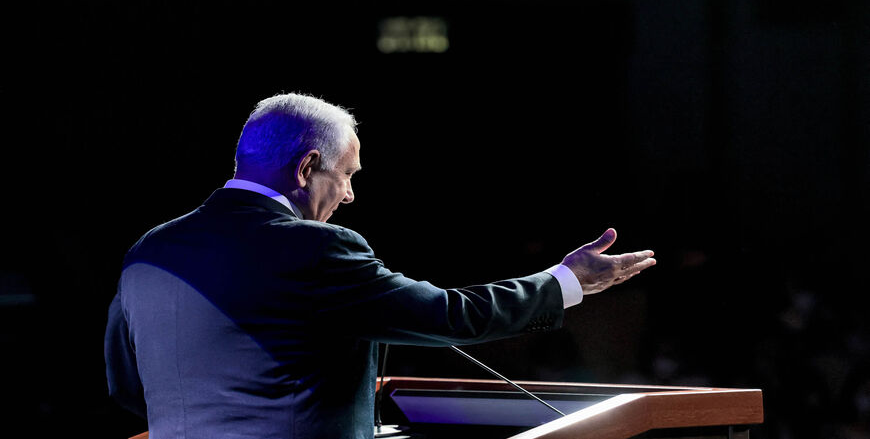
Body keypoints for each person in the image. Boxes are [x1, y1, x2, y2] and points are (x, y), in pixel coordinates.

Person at [104, 93, 656, 439]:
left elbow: (129, 387)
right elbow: (450, 318)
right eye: (348, 175)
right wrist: (565, 282)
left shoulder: (148, 251)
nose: (348, 197)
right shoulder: (314, 249)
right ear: (307, 167)